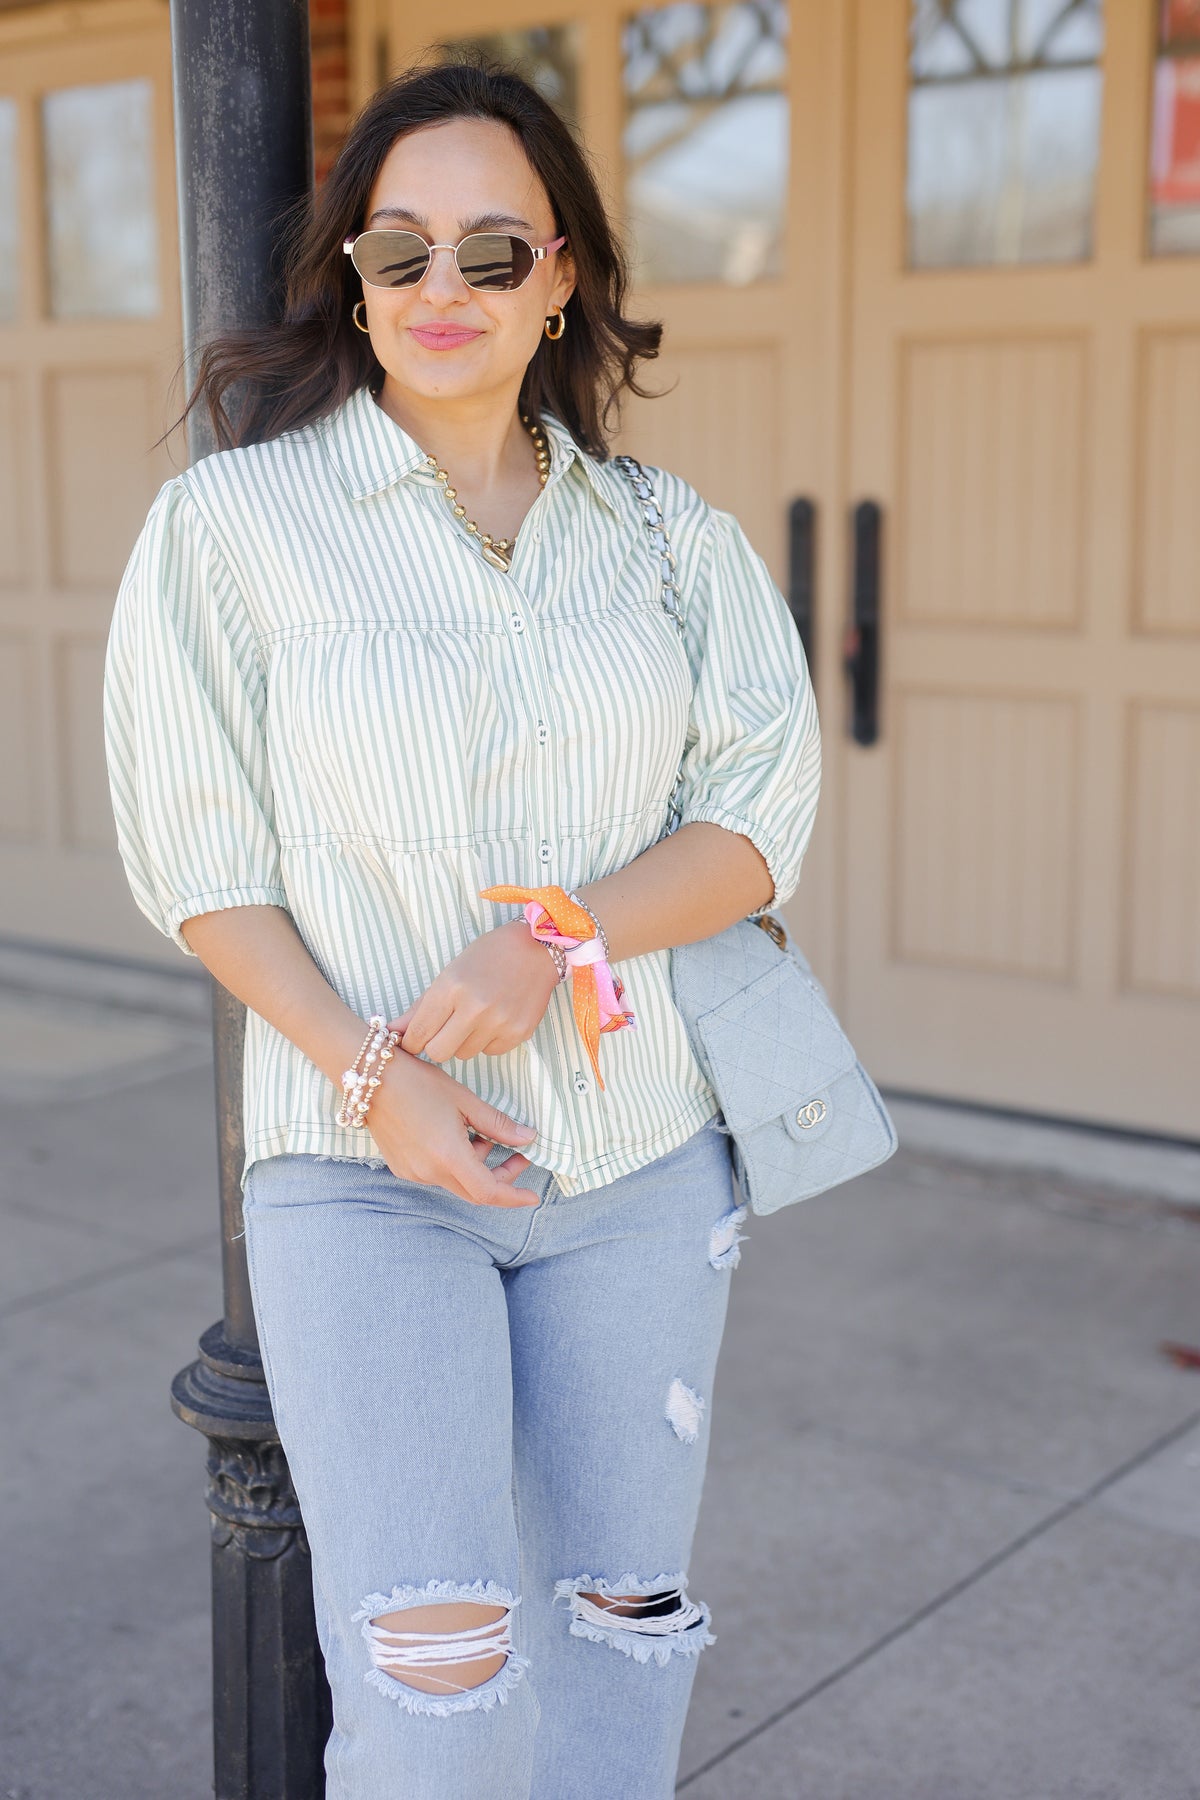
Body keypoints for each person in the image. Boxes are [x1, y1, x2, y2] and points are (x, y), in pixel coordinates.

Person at [102, 57, 821, 1800]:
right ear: (350, 272)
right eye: (401, 250)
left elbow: (758, 824)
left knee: (620, 1628)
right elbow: (196, 861)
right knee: (429, 1664)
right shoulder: (231, 531)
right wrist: (377, 1079)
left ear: (562, 276)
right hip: (363, 1175)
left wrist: (556, 936)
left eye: (493, 253)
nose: (444, 291)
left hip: (642, 1169)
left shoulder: (668, 543)